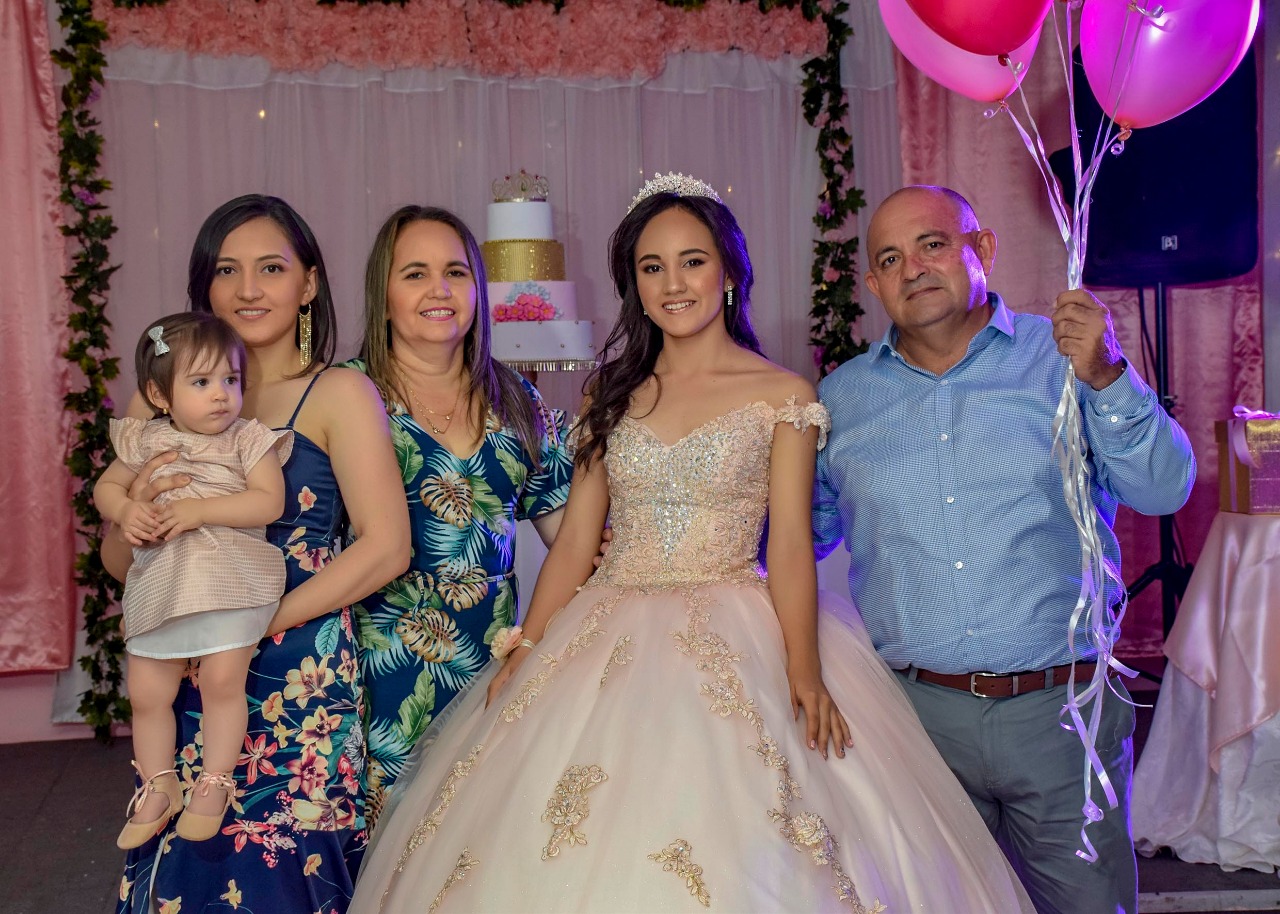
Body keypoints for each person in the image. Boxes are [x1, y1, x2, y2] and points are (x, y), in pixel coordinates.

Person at [348, 174, 1034, 913]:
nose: (673, 283)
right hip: (604, 626)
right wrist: (528, 644)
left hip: (739, 626)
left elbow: (794, 549)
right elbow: (577, 541)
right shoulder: (610, 391)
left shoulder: (784, 395)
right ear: (635, 288)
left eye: (693, 261)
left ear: (730, 273)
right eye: (652, 267)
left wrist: (803, 670)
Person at [813, 184, 1196, 914]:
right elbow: (806, 531)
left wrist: (1109, 375)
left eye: (932, 244)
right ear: (873, 285)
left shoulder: (1066, 362)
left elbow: (1164, 489)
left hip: (1062, 713)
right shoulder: (842, 399)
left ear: (981, 249)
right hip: (916, 723)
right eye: (890, 258)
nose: (914, 268)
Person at [104, 195, 411, 914]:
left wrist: (261, 619)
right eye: (227, 270)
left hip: (295, 668)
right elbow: (121, 565)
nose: (248, 289)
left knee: (285, 870)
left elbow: (388, 547)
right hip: (187, 654)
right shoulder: (160, 401)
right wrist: (136, 517)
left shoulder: (337, 392)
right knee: (184, 865)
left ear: (308, 284)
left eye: (271, 268)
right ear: (203, 287)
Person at [341, 206, 572, 828]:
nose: (439, 290)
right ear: (382, 295)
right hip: (379, 672)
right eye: (414, 273)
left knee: (473, 849)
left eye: (456, 272)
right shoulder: (347, 395)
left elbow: (571, 537)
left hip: (492, 665)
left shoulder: (516, 397)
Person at [97, 312, 293, 849]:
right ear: (160, 395)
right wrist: (126, 508)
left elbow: (268, 501)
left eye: (230, 380)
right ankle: (159, 785)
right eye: (202, 383)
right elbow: (106, 487)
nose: (221, 396)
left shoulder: (247, 440)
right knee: (146, 692)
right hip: (164, 583)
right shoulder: (145, 439)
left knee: (222, 683)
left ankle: (214, 781)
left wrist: (200, 509)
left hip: (229, 578)